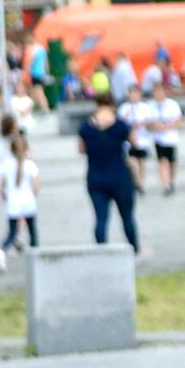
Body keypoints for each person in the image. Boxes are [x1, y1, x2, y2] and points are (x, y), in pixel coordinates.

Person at [78, 93, 139, 253]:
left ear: (96, 105)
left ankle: (102, 252)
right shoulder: (121, 125)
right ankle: (134, 249)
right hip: (119, 175)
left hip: (95, 176)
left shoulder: (85, 127)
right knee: (127, 217)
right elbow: (134, 142)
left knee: (101, 218)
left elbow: (81, 149)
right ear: (112, 105)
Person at [0, 135, 40, 272]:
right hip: (28, 203)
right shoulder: (30, 165)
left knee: (12, 233)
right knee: (32, 232)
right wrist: (33, 194)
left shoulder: (6, 164)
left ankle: (1, 250)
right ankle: (35, 259)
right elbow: (36, 187)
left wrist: (4, 194)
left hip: (13, 204)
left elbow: (1, 184)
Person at [118, 84, 154, 195]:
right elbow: (119, 123)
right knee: (132, 162)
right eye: (131, 94)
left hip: (142, 139)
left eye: (135, 94)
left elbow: (150, 122)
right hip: (128, 141)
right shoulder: (124, 108)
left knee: (141, 162)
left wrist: (142, 123)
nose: (133, 96)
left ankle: (140, 183)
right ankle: (137, 181)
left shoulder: (145, 107)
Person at [148, 82, 182, 196]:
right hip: (158, 138)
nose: (157, 94)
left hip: (171, 138)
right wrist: (154, 126)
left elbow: (178, 121)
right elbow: (148, 122)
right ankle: (165, 184)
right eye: (155, 92)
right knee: (162, 161)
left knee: (172, 162)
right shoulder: (151, 106)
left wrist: (166, 126)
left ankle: (171, 181)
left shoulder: (172, 105)